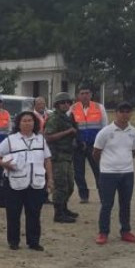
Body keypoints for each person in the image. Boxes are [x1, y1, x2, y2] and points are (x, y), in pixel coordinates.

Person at [0, 111, 53, 252]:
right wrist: (4, 164)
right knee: (13, 213)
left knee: (34, 213)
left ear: (35, 123)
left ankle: (34, 241)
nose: (27, 123)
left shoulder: (40, 140)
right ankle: (13, 241)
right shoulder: (11, 140)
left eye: (30, 120)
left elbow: (47, 159)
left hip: (36, 182)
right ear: (18, 123)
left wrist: (50, 179)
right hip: (15, 182)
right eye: (24, 121)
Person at [92, 102, 135, 245]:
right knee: (107, 204)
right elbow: (96, 152)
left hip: (127, 173)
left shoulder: (134, 132)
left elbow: (133, 151)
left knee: (125, 203)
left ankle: (125, 231)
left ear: (131, 113)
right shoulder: (105, 132)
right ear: (116, 113)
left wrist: (124, 163)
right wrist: (107, 164)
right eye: (122, 111)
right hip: (108, 173)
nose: (125, 114)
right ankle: (103, 232)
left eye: (128, 111)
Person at [43, 92, 80, 224]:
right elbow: (47, 137)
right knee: (61, 186)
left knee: (69, 185)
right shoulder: (54, 119)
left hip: (67, 155)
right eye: (63, 103)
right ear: (57, 105)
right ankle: (58, 213)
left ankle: (64, 208)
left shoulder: (66, 117)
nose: (66, 105)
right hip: (58, 156)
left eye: (68, 102)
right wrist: (68, 132)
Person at [69, 86, 107, 203]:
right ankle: (84, 196)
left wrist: (102, 145)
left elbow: (105, 126)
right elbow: (68, 126)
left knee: (98, 170)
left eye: (87, 93)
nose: (85, 95)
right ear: (78, 96)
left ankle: (103, 195)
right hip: (79, 145)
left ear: (91, 95)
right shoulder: (72, 109)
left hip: (94, 145)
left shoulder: (99, 107)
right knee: (79, 172)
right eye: (82, 93)